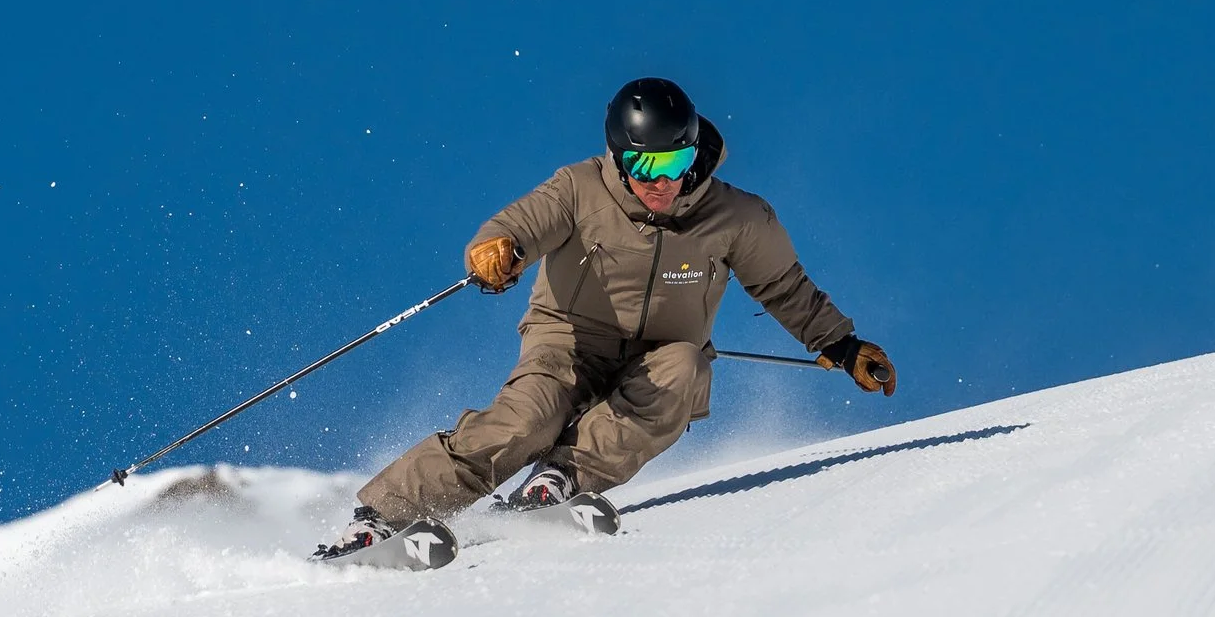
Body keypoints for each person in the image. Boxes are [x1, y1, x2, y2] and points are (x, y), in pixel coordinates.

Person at [317, 77, 894, 556]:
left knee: (687, 369)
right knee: (527, 420)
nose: (663, 181)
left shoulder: (737, 216)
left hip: (660, 355)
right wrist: (497, 251)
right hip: (567, 342)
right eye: (647, 165)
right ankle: (381, 517)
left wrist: (841, 345)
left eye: (678, 160)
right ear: (621, 157)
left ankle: (562, 479)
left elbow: (783, 285)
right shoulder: (579, 188)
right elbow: (520, 225)